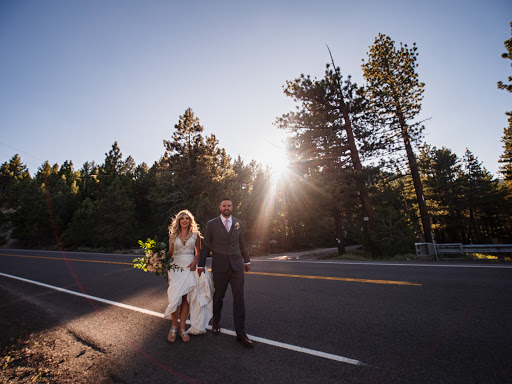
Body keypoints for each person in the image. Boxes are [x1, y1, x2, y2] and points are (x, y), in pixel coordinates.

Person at [197, 198, 253, 348]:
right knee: (218, 297)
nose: (227, 207)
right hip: (220, 267)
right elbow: (206, 245)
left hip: (236, 267)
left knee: (239, 299)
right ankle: (216, 321)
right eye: (224, 205)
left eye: (229, 205)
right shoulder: (212, 224)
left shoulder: (238, 223)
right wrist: (201, 265)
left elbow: (242, 243)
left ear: (232, 207)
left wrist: (246, 260)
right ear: (220, 207)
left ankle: (241, 334)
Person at [164, 210, 213, 343]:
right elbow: (170, 253)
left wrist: (194, 263)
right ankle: (173, 327)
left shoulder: (195, 235)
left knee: (186, 299)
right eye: (182, 218)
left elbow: (199, 252)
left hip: (190, 267)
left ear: (190, 221)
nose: (185, 220)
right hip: (176, 268)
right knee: (175, 299)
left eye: (187, 218)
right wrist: (159, 259)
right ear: (178, 221)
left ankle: (181, 329)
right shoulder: (173, 236)